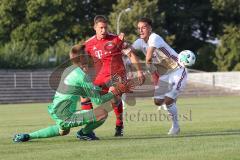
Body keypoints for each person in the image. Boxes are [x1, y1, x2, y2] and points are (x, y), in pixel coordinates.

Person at [13, 44, 134, 142]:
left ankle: (28, 136)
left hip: (57, 111)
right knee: (102, 113)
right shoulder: (82, 77)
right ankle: (84, 133)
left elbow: (86, 91)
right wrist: (115, 91)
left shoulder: (69, 70)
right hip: (65, 115)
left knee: (63, 131)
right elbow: (98, 100)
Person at [82, 15, 145, 136]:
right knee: (84, 95)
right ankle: (89, 128)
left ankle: (119, 123)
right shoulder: (88, 44)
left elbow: (131, 55)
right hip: (100, 78)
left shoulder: (117, 40)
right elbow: (84, 61)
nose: (103, 30)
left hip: (117, 76)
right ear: (95, 27)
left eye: (105, 27)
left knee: (113, 97)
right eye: (101, 28)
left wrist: (139, 71)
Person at [132, 17, 195, 135]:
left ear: (150, 28)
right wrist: (121, 44)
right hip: (165, 74)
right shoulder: (139, 42)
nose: (141, 30)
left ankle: (176, 127)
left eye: (144, 27)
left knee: (168, 101)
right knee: (157, 101)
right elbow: (129, 51)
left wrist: (149, 71)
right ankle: (172, 102)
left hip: (178, 70)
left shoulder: (154, 38)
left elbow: (148, 58)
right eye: (139, 28)